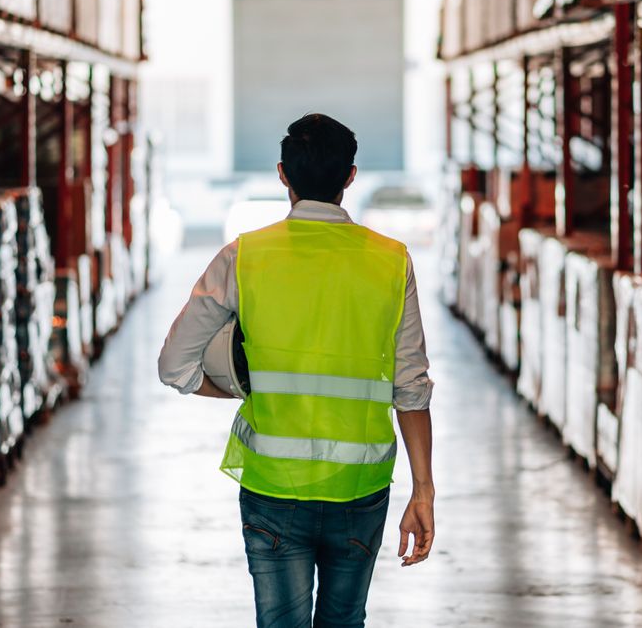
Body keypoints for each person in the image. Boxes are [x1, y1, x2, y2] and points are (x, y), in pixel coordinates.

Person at [157, 113, 435, 628]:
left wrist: (241, 387)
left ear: (282, 174)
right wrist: (423, 491)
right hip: (361, 488)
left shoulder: (244, 257)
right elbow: (411, 389)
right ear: (350, 177)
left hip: (272, 489)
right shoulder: (391, 261)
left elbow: (175, 367)